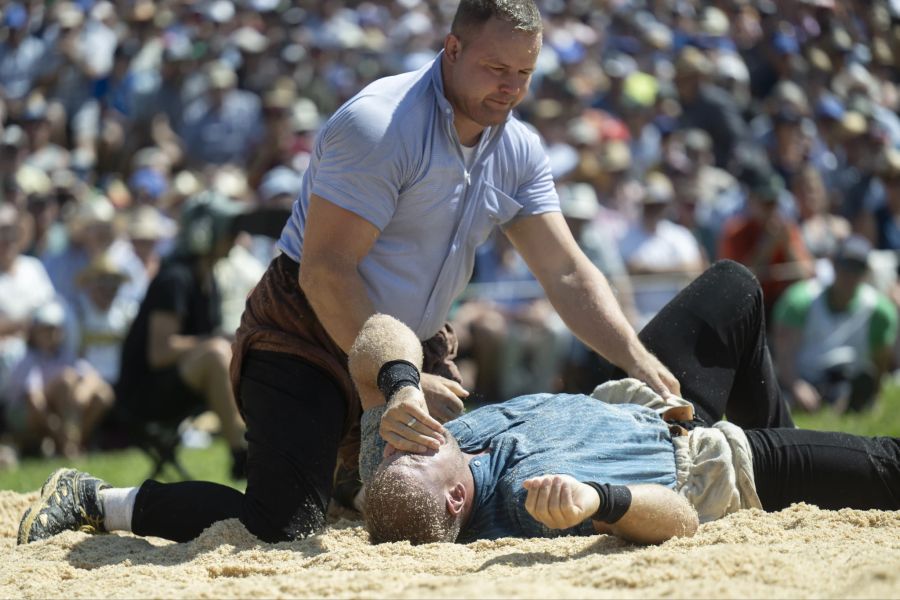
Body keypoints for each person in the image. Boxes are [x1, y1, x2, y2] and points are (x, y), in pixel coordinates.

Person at [17, 0, 678, 547]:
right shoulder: (380, 123)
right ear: (450, 50)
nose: (510, 88)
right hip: (304, 336)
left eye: (525, 74)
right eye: (496, 68)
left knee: (429, 516)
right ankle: (99, 498)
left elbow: (564, 273)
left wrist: (640, 361)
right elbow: (327, 273)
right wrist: (392, 387)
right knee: (281, 526)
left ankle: (345, 485)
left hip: (411, 346)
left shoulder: (519, 148)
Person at [348, 261, 899, 545]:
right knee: (889, 466)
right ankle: (787, 465)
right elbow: (679, 518)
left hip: (637, 401)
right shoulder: (534, 507)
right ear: (454, 501)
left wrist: (402, 383)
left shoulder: (395, 459)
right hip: (710, 466)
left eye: (396, 453)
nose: (411, 442)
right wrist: (599, 502)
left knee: (734, 286)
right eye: (416, 457)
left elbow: (378, 330)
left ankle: (788, 437)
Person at [114, 191, 248, 476]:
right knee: (215, 353)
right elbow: (160, 352)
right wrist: (215, 342)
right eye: (229, 230)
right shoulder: (175, 279)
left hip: (175, 385)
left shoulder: (208, 278)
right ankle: (242, 452)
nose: (235, 237)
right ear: (204, 233)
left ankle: (260, 443)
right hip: (144, 396)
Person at [773, 235, 898, 413]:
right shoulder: (799, 301)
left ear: (866, 272)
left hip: (846, 378)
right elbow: (784, 356)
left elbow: (880, 364)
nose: (850, 274)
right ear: (833, 264)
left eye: (858, 268)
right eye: (845, 265)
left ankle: (848, 402)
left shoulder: (880, 312)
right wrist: (796, 386)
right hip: (803, 377)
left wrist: (875, 396)